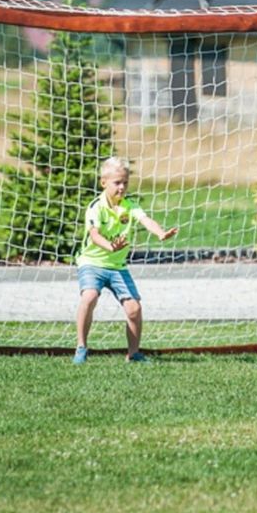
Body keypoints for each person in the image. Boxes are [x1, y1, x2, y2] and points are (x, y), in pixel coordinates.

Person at [72, 156, 178, 365]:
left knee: (134, 309)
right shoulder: (96, 206)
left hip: (117, 266)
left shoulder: (130, 205)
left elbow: (145, 219)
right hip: (92, 263)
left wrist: (160, 233)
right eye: (117, 183)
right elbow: (94, 235)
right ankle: (81, 348)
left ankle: (134, 353)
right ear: (104, 183)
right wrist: (110, 246)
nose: (122, 187)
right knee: (89, 297)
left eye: (125, 183)